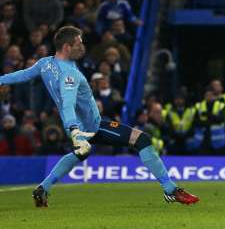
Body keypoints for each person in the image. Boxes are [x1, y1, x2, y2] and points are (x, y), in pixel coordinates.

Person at [0, 26, 198, 206]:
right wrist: (75, 130)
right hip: (89, 126)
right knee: (142, 139)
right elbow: (68, 103)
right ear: (67, 47)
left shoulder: (45, 64)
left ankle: (43, 188)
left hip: (77, 127)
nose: (83, 46)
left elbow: (22, 75)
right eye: (79, 43)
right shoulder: (70, 74)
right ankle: (170, 189)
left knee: (81, 153)